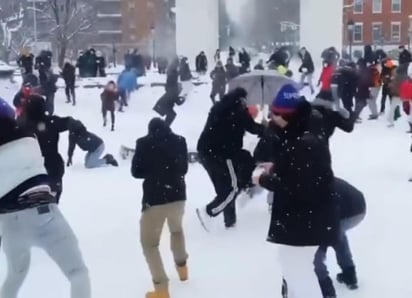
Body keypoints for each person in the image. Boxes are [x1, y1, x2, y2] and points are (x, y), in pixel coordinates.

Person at [252, 84, 339, 298]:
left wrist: (263, 179)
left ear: (287, 116)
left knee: (299, 273)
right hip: (305, 221)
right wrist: (278, 167)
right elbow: (299, 174)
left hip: (304, 223)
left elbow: (298, 186)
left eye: (275, 114)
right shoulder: (300, 135)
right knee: (293, 269)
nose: (272, 119)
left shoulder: (303, 143)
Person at [0, 100, 91, 298]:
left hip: (8, 223)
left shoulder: (28, 129)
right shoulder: (27, 135)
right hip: (42, 212)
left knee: (15, 275)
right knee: (78, 273)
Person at [131, 118, 189, 298]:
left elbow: (136, 172)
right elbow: (184, 169)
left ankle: (161, 288)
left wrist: (153, 171)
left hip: (154, 200)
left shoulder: (143, 143)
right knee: (177, 231)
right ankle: (183, 270)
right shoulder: (180, 141)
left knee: (149, 244)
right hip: (178, 197)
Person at [196, 88, 265, 229]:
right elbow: (252, 127)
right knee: (232, 188)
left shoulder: (220, 107)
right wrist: (266, 128)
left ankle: (230, 222)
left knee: (225, 187)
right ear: (241, 99)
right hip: (223, 154)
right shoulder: (238, 111)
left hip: (205, 152)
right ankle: (208, 213)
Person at [314, 178, 366, 298]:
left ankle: (324, 286)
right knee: (338, 237)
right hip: (359, 206)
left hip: (345, 211)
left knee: (318, 245)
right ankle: (349, 275)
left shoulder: (310, 188)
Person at [20, 94, 73, 203]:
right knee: (52, 201)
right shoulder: (51, 122)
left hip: (30, 170)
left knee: (33, 203)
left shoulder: (21, 125)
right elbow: (69, 122)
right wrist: (79, 130)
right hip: (53, 166)